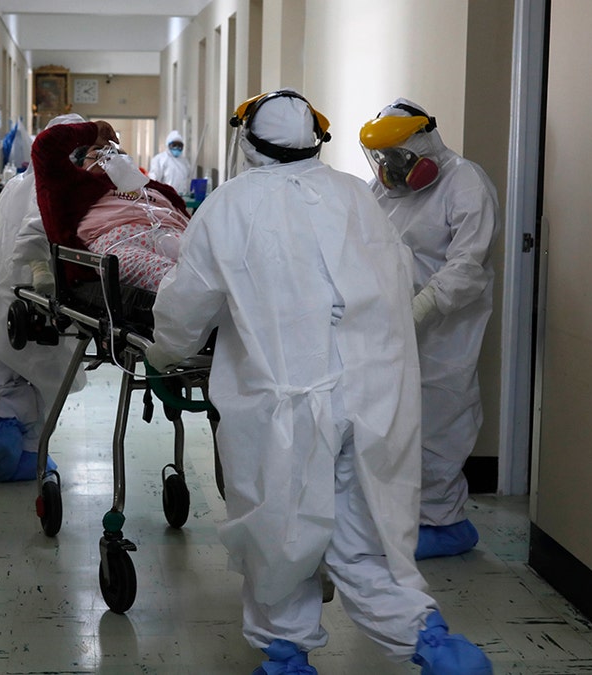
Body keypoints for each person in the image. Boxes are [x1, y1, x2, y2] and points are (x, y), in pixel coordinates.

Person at [145, 89, 492, 675]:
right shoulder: (359, 197)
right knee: (364, 535)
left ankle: (285, 656)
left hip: (283, 409)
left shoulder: (227, 207)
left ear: (246, 142)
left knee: (281, 535)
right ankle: (434, 643)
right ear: (316, 141)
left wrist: (163, 354)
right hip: (372, 400)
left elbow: (184, 310)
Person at [360, 98, 499, 560]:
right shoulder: (382, 190)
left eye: (399, 155)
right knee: (391, 421)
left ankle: (445, 523)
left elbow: (469, 263)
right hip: (387, 324)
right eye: (384, 158)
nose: (391, 167)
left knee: (441, 416)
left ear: (424, 142)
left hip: (445, 330)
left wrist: (422, 306)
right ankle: (401, 516)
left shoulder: (464, 182)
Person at [0, 114, 88, 482]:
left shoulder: (17, 185)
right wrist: (40, 273)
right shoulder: (58, 189)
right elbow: (36, 238)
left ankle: (3, 428)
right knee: (47, 376)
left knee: (6, 368)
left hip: (7, 297)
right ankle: (32, 452)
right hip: (45, 298)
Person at [31, 119, 191, 293]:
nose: (111, 154)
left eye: (118, 152)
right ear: (82, 163)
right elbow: (45, 147)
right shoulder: (76, 186)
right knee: (178, 281)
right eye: (98, 151)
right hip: (118, 245)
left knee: (211, 267)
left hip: (176, 236)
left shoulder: (159, 190)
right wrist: (93, 131)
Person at [148, 129, 191, 195]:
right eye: (174, 145)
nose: (177, 148)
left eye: (179, 146)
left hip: (181, 196)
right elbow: (153, 179)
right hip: (165, 196)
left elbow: (187, 180)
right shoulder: (160, 159)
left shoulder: (185, 162)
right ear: (168, 145)